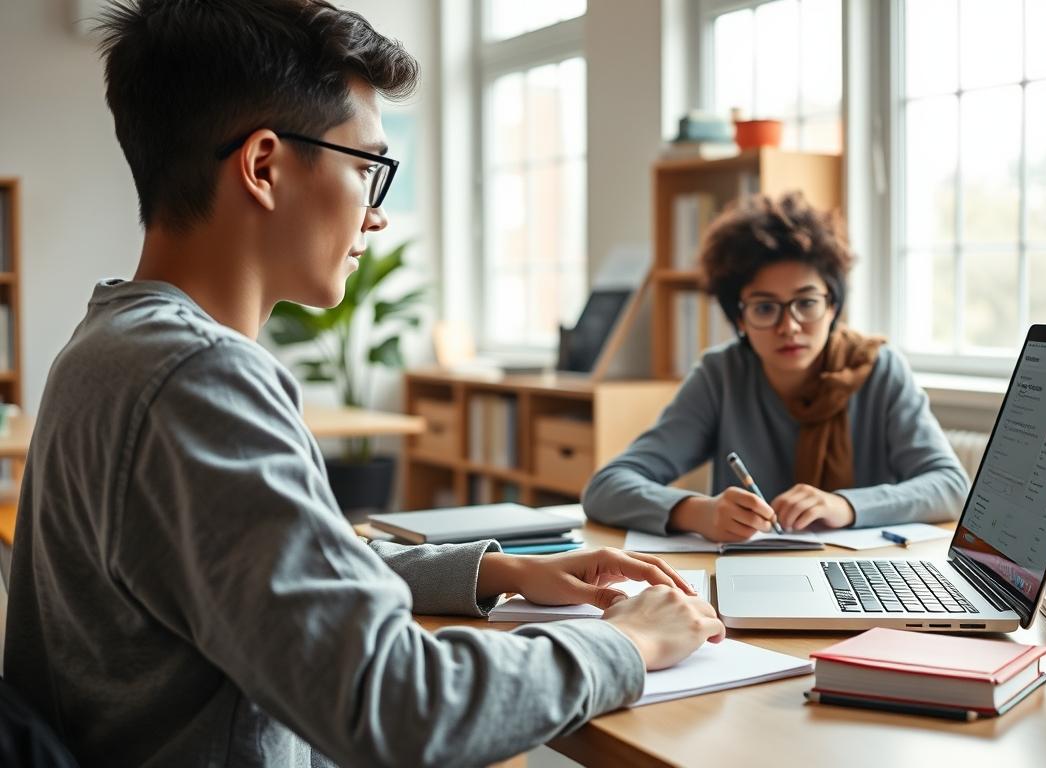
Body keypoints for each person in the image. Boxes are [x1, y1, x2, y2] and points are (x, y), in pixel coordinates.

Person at [2, 2, 723, 766]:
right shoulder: (197, 376)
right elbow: (396, 704)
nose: (376, 218)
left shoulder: (111, 339)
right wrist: (627, 641)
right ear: (264, 166)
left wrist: (496, 573)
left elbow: (262, 577)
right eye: (366, 169)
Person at [583, 193, 969, 541]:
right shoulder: (721, 375)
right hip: (747, 580)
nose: (790, 327)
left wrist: (846, 506)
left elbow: (951, 485)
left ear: (833, 305)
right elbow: (606, 487)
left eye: (806, 302)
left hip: (865, 580)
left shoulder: (879, 369)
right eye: (765, 308)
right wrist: (697, 511)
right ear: (739, 319)